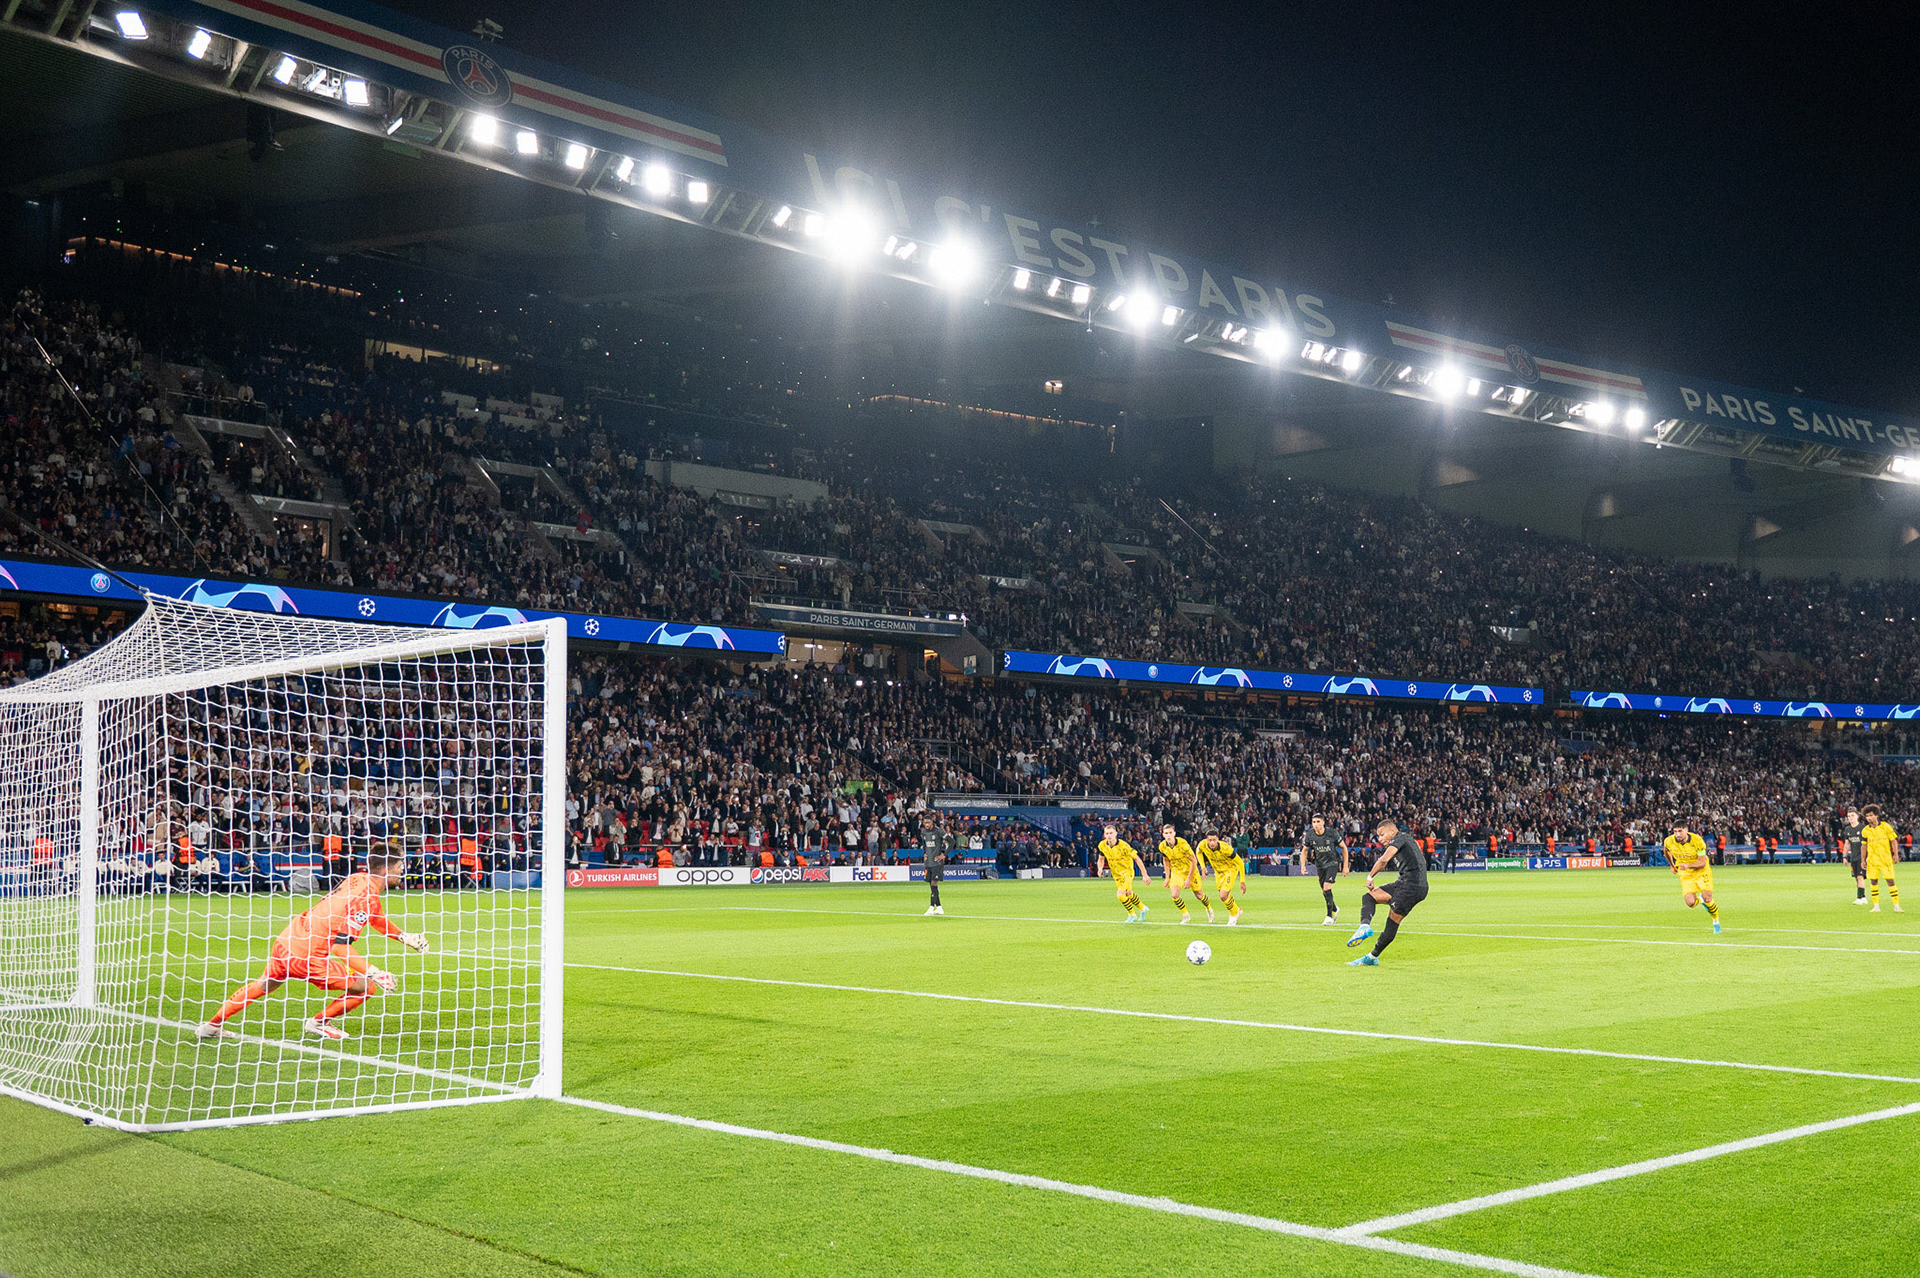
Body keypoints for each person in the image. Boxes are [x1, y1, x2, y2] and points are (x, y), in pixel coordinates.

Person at [196, 846, 429, 1043]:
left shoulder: (358, 879)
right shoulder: (365, 896)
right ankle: (318, 1023)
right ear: (387, 869)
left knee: (264, 984)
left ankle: (211, 1026)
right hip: (308, 957)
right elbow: (340, 946)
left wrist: (402, 936)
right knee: (366, 987)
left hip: (288, 939)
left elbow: (375, 916)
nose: (402, 871)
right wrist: (375, 972)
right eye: (400, 867)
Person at [1345, 819, 1429, 966]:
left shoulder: (1400, 838)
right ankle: (1364, 927)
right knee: (1369, 897)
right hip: (1404, 883)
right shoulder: (1404, 840)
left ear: (1392, 831)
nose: (1380, 839)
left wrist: (1370, 876)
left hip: (1412, 887)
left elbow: (1384, 860)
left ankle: (1371, 957)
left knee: (1392, 923)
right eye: (1378, 836)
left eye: (1382, 834)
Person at [1663, 820, 1722, 933]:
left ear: (1686, 830)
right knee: (1690, 903)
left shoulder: (1697, 840)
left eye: (1680, 831)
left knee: (1708, 897)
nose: (1677, 834)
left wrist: (1688, 865)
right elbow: (1666, 851)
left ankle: (1716, 921)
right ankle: (1701, 900)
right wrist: (1671, 865)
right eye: (1675, 831)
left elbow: (1702, 862)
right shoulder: (1669, 841)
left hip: (1701, 870)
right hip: (1685, 873)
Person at [1156, 823, 1213, 924]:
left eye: (1170, 833)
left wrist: (1189, 879)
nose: (1168, 835)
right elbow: (1166, 860)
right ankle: (1185, 915)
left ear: (1174, 833)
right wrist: (1167, 878)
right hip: (1177, 872)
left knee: (1199, 895)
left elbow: (1194, 860)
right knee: (1174, 894)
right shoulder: (1162, 846)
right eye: (1166, 833)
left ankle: (1209, 909)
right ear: (1163, 834)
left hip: (1190, 870)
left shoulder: (1183, 844)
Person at [1298, 815, 1348, 924]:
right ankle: (1334, 908)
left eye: (1318, 821)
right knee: (1324, 891)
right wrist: (1302, 865)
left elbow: (1344, 848)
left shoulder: (1332, 833)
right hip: (1320, 865)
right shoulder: (1310, 835)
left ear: (1323, 822)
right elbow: (1304, 851)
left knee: (1327, 887)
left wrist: (1345, 866)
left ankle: (1329, 916)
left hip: (1332, 863)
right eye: (1314, 822)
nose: (1316, 824)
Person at [1096, 823, 1151, 922]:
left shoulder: (1124, 846)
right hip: (1116, 874)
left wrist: (1145, 874)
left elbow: (1137, 859)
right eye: (1107, 833)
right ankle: (1143, 908)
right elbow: (1101, 858)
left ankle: (1131, 914)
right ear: (1104, 835)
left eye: (1111, 833)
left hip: (1127, 872)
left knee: (1120, 894)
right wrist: (1100, 869)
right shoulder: (1102, 845)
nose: (1109, 835)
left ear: (1116, 834)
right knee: (1129, 893)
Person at [1197, 830, 1247, 925]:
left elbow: (1240, 862)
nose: (1212, 843)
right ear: (1206, 840)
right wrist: (1203, 866)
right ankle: (1237, 910)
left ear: (1218, 840)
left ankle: (1233, 915)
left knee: (1223, 895)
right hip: (1218, 872)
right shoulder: (1203, 844)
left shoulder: (1225, 848)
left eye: (1214, 840)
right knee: (1223, 895)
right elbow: (1198, 852)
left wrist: (1242, 881)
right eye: (1210, 840)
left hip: (1230, 870)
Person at [1861, 805, 1902, 914]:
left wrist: (1896, 854)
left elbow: (1893, 840)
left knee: (1890, 881)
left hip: (1885, 859)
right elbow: (1864, 846)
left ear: (1876, 815)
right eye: (1867, 816)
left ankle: (1896, 906)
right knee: (1873, 881)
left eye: (1871, 815)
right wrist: (1863, 860)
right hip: (1872, 861)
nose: (1869, 818)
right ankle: (1876, 906)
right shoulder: (1865, 831)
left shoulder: (1885, 826)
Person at [921, 815, 953, 916]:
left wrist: (943, 855)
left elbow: (952, 841)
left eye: (928, 823)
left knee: (934, 884)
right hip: (928, 862)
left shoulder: (939, 831)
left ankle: (931, 907)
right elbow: (924, 842)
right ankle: (939, 907)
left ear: (932, 822)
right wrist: (924, 853)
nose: (926, 825)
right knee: (931, 885)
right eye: (925, 823)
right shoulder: (923, 832)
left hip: (937, 863)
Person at [1842, 808, 1868, 904]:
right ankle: (1863, 897)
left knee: (1860, 877)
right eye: (1849, 816)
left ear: (1857, 816)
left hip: (1862, 858)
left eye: (1852, 815)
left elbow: (1868, 844)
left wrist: (1867, 857)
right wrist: (1845, 857)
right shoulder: (1847, 830)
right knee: (1856, 878)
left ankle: (1859, 898)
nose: (1850, 818)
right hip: (1853, 857)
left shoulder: (1863, 828)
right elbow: (1847, 844)